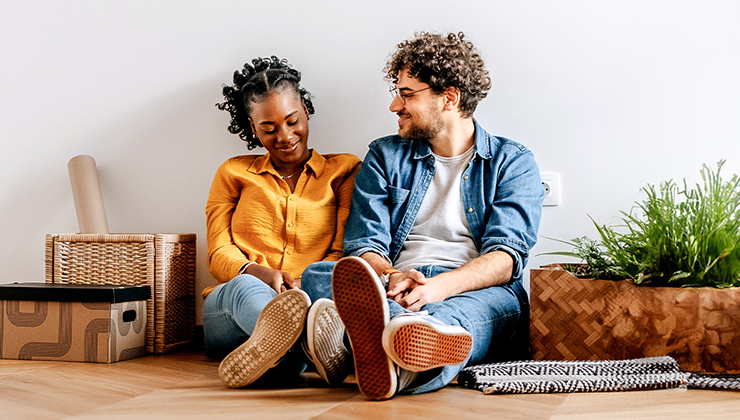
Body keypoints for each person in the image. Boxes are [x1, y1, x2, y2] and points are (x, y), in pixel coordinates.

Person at [306, 31, 544, 400]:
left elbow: (505, 259)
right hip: (394, 285)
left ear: (449, 98)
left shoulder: (512, 162)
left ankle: (378, 347)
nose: (394, 106)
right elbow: (364, 244)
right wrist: (392, 277)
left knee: (463, 320)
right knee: (320, 274)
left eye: (407, 94)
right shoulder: (385, 156)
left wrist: (436, 289)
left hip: (471, 291)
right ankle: (392, 346)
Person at [203, 56, 360, 389]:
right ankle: (305, 348)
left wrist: (304, 286)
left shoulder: (344, 170)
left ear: (305, 108)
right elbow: (218, 253)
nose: (285, 136)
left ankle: (285, 357)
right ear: (251, 126)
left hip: (311, 299)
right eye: (269, 129)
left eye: (292, 121)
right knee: (247, 288)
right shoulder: (232, 172)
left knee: (311, 308)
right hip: (231, 309)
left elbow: (343, 250)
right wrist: (259, 272)